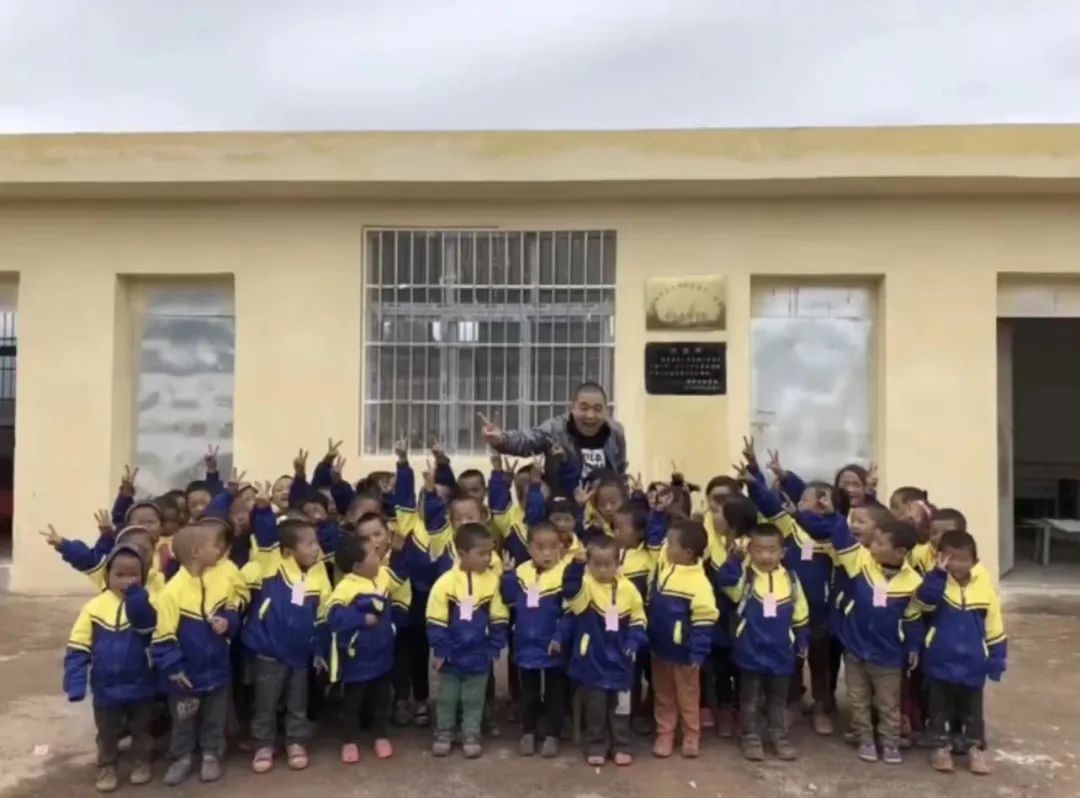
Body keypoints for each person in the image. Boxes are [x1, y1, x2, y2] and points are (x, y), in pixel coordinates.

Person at [829, 515, 923, 765]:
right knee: (857, 699)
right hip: (856, 649)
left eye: (880, 543)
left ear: (900, 552)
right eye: (873, 541)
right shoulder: (861, 562)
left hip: (888, 655)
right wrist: (834, 514)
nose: (872, 546)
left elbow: (913, 618)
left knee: (888, 702)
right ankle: (865, 739)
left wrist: (914, 646)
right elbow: (840, 538)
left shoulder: (914, 582)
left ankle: (890, 742)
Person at [63, 545, 158, 792]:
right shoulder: (93, 608)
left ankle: (141, 762)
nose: (126, 581)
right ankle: (107, 766)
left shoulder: (147, 603)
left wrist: (138, 601)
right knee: (107, 731)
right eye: (120, 575)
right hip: (105, 686)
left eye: (133, 575)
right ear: (107, 575)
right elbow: (78, 646)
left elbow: (152, 631)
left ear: (143, 576)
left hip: (141, 684)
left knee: (141, 728)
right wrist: (75, 683)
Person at [241, 518, 332, 774]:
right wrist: (262, 509)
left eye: (316, 542)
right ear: (289, 551)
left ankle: (296, 742)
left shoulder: (319, 573)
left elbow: (323, 616)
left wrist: (319, 651)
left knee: (297, 701)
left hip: (301, 654)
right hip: (269, 652)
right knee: (266, 702)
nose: (316, 548)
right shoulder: (271, 566)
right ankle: (263, 745)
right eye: (309, 544)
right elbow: (266, 537)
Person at [152, 524, 241, 786]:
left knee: (215, 716)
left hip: (218, 668)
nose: (220, 550)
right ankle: (181, 756)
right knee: (183, 719)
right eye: (214, 546)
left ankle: (212, 754)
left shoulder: (221, 580)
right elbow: (163, 636)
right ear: (196, 552)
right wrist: (174, 668)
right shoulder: (172, 592)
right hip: (186, 675)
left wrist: (228, 623)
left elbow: (232, 611)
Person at [714, 523, 809, 762]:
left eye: (771, 550)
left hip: (781, 652)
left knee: (778, 699)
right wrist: (735, 559)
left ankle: (779, 736)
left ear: (782, 553)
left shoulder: (791, 580)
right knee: (750, 699)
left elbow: (800, 612)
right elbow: (725, 582)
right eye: (758, 550)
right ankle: (750, 737)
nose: (765, 556)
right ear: (750, 551)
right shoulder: (745, 578)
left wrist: (802, 639)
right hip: (751, 650)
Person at [915, 530, 1005, 776]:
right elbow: (923, 602)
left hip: (973, 663)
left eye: (963, 559)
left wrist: (997, 657)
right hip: (940, 661)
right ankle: (940, 747)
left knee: (972, 711)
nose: (956, 564)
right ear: (940, 558)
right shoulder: (936, 584)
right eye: (950, 558)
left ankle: (974, 748)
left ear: (975, 561)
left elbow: (994, 626)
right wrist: (937, 574)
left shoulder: (984, 590)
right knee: (939, 708)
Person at [562, 536, 648, 767]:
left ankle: (621, 744)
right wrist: (575, 567)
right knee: (596, 707)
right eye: (596, 564)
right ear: (588, 564)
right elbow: (570, 594)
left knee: (621, 708)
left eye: (608, 564)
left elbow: (639, 618)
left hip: (622, 661)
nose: (602, 570)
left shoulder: (629, 589)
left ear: (618, 564)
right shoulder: (585, 586)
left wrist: (634, 640)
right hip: (594, 659)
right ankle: (597, 745)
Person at [425, 522, 509, 759]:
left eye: (490, 553)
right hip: (451, 657)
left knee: (474, 699)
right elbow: (435, 619)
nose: (488, 559)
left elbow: (499, 616)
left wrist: (494, 645)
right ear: (462, 554)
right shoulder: (444, 584)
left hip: (479, 655)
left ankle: (471, 734)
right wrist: (442, 650)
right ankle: (444, 733)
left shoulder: (493, 582)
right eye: (481, 554)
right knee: (448, 698)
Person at [328, 530, 411, 764]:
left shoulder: (383, 575)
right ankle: (349, 740)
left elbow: (400, 575)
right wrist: (361, 619)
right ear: (357, 567)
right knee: (353, 701)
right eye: (373, 554)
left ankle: (380, 735)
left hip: (382, 655)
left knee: (381, 699)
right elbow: (333, 616)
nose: (379, 556)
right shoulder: (346, 587)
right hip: (357, 658)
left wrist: (399, 552)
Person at [647, 520, 718, 759]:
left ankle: (691, 734)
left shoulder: (699, 584)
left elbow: (704, 621)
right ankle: (665, 734)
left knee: (688, 696)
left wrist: (698, 653)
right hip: (660, 649)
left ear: (687, 553)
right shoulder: (665, 564)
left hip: (685, 654)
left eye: (671, 544)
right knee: (663, 695)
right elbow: (654, 539)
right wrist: (657, 514)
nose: (666, 547)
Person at [499, 521, 570, 758]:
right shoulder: (521, 572)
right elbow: (509, 600)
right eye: (540, 547)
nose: (547, 553)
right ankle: (528, 731)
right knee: (527, 693)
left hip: (552, 646)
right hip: (525, 644)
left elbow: (570, 613)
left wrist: (559, 637)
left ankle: (552, 734)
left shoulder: (566, 575)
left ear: (561, 547)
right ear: (529, 549)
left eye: (553, 547)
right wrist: (508, 576)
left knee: (554, 693)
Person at [481, 381, 627, 485]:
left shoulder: (615, 432)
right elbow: (528, 440)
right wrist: (502, 439)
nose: (590, 415)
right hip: (564, 506)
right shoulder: (556, 429)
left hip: (604, 507)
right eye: (584, 408)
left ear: (606, 410)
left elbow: (620, 471)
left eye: (597, 409)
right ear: (572, 408)